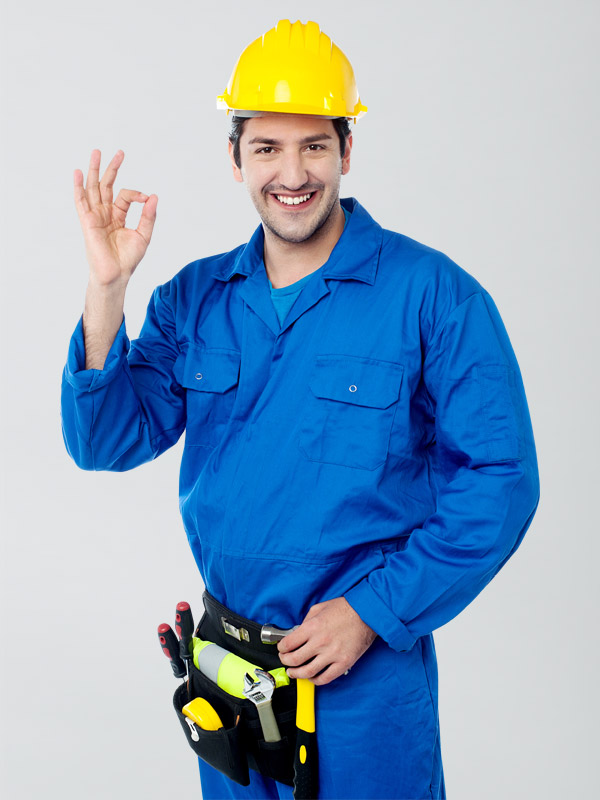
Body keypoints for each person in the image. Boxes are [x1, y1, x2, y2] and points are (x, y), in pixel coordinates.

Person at [61, 19, 540, 800]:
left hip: (362, 686)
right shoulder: (194, 298)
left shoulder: (433, 296)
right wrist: (107, 288)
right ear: (236, 159)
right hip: (229, 677)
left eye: (314, 145)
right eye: (267, 148)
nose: (292, 173)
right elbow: (104, 440)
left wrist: (374, 610)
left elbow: (501, 480)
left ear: (347, 150)